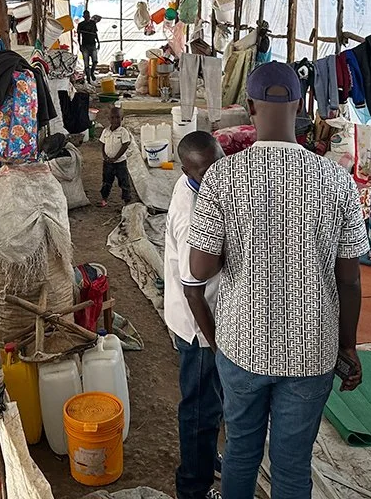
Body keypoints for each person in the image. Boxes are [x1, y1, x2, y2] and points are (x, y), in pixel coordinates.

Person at [189, 61, 369, 499]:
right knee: (292, 465)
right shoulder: (337, 180)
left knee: (241, 453)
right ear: (301, 105)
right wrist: (347, 345)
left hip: (242, 342)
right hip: (312, 349)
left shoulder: (222, 176)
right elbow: (349, 280)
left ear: (249, 107)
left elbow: (200, 269)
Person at [164, 131, 226, 499]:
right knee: (200, 407)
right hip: (199, 326)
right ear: (187, 170)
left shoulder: (201, 185)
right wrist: (215, 343)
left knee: (210, 400)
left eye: (219, 164)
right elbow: (193, 291)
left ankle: (205, 458)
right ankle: (193, 487)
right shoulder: (190, 216)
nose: (216, 175)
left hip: (207, 317)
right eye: (206, 172)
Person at [99, 104, 132, 208]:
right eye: (112, 117)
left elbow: (125, 145)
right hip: (107, 162)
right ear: (109, 118)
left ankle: (126, 201)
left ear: (122, 118)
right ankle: (104, 198)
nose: (115, 120)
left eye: (118, 117)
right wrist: (104, 156)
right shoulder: (105, 131)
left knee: (124, 181)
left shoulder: (123, 132)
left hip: (120, 163)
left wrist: (116, 158)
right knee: (106, 181)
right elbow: (103, 144)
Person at [78, 11, 100, 82]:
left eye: (88, 16)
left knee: (95, 61)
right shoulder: (80, 24)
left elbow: (95, 33)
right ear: (84, 17)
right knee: (86, 64)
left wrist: (98, 42)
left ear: (89, 16)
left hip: (93, 45)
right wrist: (80, 45)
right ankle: (88, 77)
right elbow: (79, 36)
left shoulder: (93, 23)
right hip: (85, 46)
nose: (87, 17)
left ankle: (92, 73)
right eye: (86, 16)